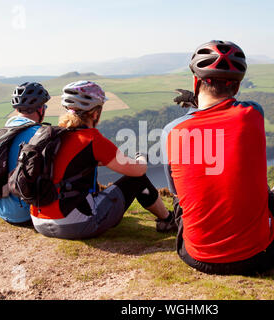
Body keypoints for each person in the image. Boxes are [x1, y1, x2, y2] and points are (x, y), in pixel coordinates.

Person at [161, 40, 274, 275]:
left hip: (195, 255)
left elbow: (176, 191)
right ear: (236, 88)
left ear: (196, 82)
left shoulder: (171, 131)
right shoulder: (253, 113)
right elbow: (225, 114)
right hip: (258, 257)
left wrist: (193, 107)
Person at [30, 80, 176, 239]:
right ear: (94, 113)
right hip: (74, 225)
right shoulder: (92, 140)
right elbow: (138, 170)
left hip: (38, 221)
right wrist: (141, 158)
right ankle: (168, 220)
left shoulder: (54, 136)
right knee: (136, 179)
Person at [0, 82, 50, 226]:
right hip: (26, 214)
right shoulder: (39, 135)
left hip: (1, 211)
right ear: (40, 109)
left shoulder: (0, 133)